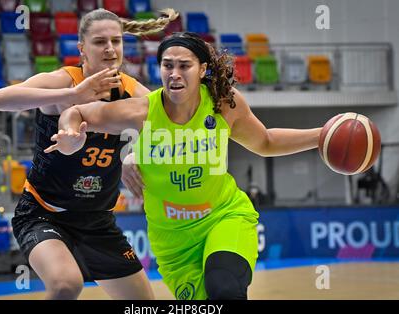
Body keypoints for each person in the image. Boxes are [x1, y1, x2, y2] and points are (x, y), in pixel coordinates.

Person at [45, 32, 322, 300]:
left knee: (224, 288)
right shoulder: (141, 112)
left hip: (223, 217)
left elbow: (266, 142)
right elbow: (76, 111)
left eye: (184, 65)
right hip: (174, 243)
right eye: (167, 65)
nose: (174, 73)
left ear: (202, 70)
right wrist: (71, 134)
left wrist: (322, 136)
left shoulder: (223, 105)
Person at [0, 8, 178, 300]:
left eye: (116, 41)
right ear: (82, 49)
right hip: (43, 213)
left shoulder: (133, 92)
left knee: (144, 302)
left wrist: (135, 155)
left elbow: (168, 131)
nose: (110, 49)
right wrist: (71, 96)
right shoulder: (64, 80)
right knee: (66, 285)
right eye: (100, 42)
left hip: (97, 220)